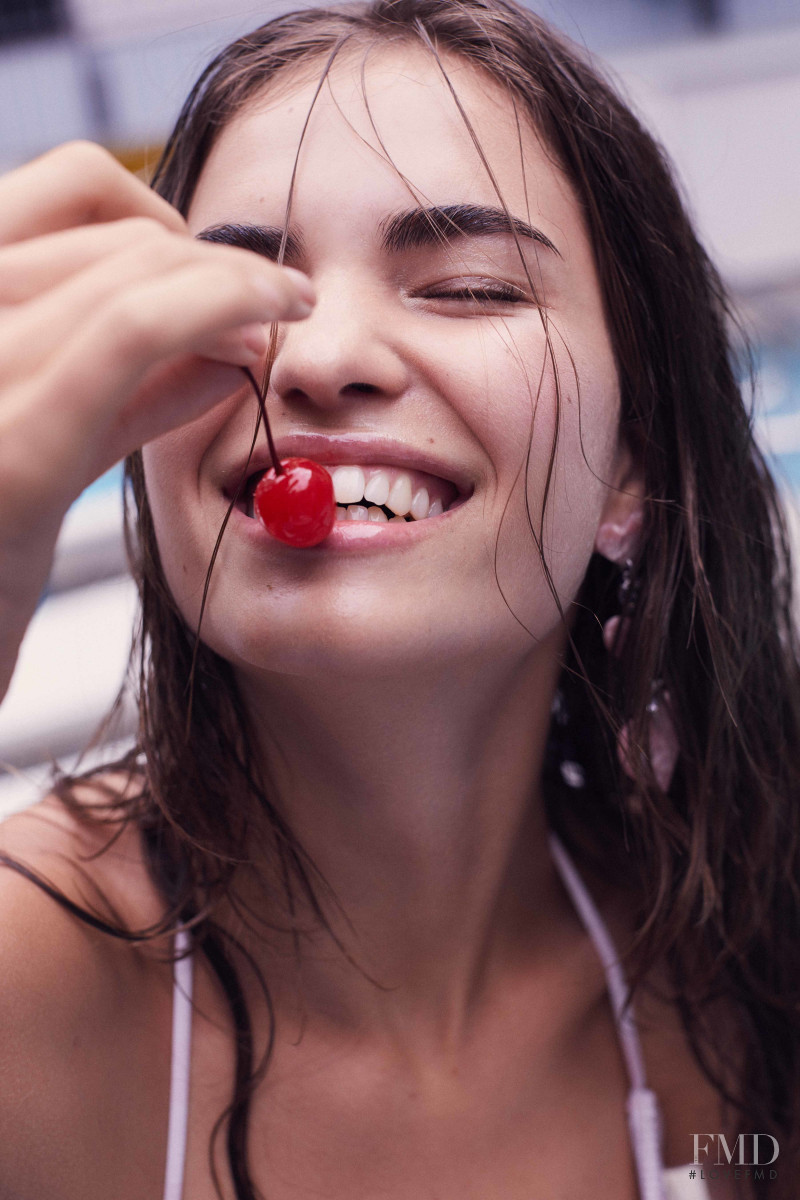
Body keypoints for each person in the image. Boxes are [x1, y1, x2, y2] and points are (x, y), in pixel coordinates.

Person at [0, 0, 798, 1197]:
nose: (319, 356)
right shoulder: (31, 981)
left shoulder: (736, 972)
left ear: (629, 460)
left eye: (468, 288)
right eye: (232, 291)